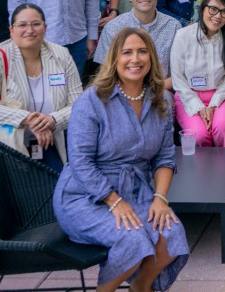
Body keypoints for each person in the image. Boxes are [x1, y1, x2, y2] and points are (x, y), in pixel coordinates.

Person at [54, 27, 188, 292]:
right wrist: (114, 201)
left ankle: (141, 286)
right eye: (127, 52)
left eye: (142, 52)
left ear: (152, 58)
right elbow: (80, 162)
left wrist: (160, 199)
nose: (135, 59)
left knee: (172, 233)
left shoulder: (162, 100)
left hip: (135, 191)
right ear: (114, 59)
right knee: (132, 238)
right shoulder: (91, 101)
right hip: (85, 196)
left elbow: (164, 157)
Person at [0, 3, 83, 171]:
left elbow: (80, 106)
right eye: (22, 25)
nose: (30, 30)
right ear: (11, 30)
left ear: (45, 27)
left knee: (57, 189)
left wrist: (52, 120)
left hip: (47, 143)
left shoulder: (61, 55)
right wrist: (28, 119)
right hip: (4, 148)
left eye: (36, 24)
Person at [170, 0, 225, 148]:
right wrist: (199, 107)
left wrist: (214, 104)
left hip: (222, 95)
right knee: (198, 136)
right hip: (189, 95)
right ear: (203, 9)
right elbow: (178, 79)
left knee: (224, 129)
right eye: (213, 9)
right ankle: (205, 172)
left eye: (224, 12)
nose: (217, 16)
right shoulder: (183, 36)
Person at [96, 0, 179, 88]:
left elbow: (179, 74)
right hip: (122, 93)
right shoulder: (113, 28)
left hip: (161, 92)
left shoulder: (174, 27)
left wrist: (153, 91)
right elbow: (105, 72)